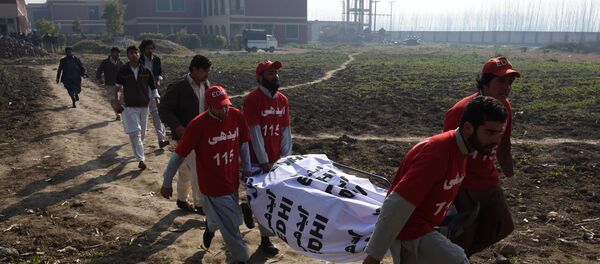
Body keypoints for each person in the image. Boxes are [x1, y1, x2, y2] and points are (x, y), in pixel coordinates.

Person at [363, 96, 507, 264]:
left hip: (423, 230)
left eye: (499, 133)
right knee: (458, 260)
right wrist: (373, 257)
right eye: (489, 132)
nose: (496, 141)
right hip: (410, 233)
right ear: (468, 128)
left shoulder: (464, 149)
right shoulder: (437, 154)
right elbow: (396, 204)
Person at [161, 86, 252, 264]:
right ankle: (242, 258)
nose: (224, 110)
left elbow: (244, 144)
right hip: (212, 185)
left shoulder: (236, 117)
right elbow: (178, 155)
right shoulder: (197, 125)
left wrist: (247, 168)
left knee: (219, 218)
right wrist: (167, 181)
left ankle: (210, 227)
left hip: (232, 180)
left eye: (226, 105)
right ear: (209, 106)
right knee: (233, 226)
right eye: (219, 107)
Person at [443, 56, 520, 257]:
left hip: (488, 180)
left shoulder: (505, 108)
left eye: (510, 82)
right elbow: (446, 150)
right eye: (501, 81)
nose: (507, 87)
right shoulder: (461, 111)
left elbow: (504, 145)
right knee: (464, 233)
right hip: (463, 183)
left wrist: (510, 175)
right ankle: (452, 256)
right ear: (485, 83)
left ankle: (456, 256)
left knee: (504, 225)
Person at [240, 60, 293, 255]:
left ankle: (248, 208)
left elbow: (286, 130)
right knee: (264, 199)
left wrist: (286, 159)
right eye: (270, 73)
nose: (275, 76)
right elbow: (254, 133)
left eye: (276, 73)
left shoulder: (283, 100)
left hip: (275, 161)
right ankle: (264, 240)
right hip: (256, 161)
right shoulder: (252, 100)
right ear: (259, 77)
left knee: (270, 199)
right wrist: (263, 161)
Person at [158, 55, 213, 214]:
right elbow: (164, 110)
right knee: (197, 170)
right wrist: (177, 126)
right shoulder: (179, 87)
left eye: (208, 70)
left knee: (185, 170)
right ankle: (200, 204)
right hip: (186, 136)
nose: (206, 74)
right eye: (204, 70)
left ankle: (182, 199)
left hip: (203, 137)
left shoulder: (206, 85)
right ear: (194, 69)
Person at [114, 46, 158, 170]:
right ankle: (141, 159)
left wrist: (156, 97)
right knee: (136, 132)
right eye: (132, 53)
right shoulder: (123, 70)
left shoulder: (146, 70)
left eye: (136, 52)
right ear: (127, 55)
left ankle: (138, 149)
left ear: (139, 54)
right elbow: (117, 88)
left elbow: (153, 87)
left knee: (142, 133)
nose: (134, 55)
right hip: (129, 106)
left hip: (144, 105)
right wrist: (117, 103)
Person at [139, 39, 169, 148]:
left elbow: (159, 73)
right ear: (143, 49)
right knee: (143, 115)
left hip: (153, 89)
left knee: (157, 114)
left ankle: (161, 139)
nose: (150, 50)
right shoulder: (139, 60)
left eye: (152, 48)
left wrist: (158, 80)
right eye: (148, 48)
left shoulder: (156, 60)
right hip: (141, 89)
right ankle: (139, 139)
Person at [96, 47, 124, 120]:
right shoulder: (105, 62)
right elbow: (99, 71)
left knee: (121, 98)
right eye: (116, 53)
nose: (118, 55)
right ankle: (117, 114)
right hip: (109, 83)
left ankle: (118, 108)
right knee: (111, 99)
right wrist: (100, 78)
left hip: (120, 84)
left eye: (118, 53)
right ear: (111, 53)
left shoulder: (121, 63)